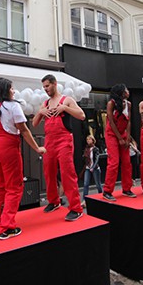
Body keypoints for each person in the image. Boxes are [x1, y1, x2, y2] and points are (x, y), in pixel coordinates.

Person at [0, 77, 46, 240]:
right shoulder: (13, 106)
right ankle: (7, 226)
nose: (14, 91)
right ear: (5, 90)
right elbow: (23, 130)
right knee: (14, 187)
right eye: (12, 88)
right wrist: (37, 148)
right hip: (7, 147)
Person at [33, 74, 85, 221]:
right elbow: (34, 124)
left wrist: (64, 108)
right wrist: (40, 112)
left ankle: (76, 208)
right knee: (48, 172)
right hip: (49, 141)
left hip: (64, 140)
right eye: (44, 87)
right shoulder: (45, 103)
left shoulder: (67, 100)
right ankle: (54, 201)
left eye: (47, 86)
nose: (45, 89)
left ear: (55, 84)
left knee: (67, 173)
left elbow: (81, 115)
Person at [101, 84, 135, 201]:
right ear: (121, 92)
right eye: (126, 90)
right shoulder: (111, 103)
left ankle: (127, 189)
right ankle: (107, 191)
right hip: (112, 134)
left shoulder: (129, 104)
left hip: (123, 134)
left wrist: (127, 137)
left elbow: (129, 122)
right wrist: (119, 138)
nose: (128, 91)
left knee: (126, 162)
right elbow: (110, 121)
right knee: (114, 162)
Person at [82, 135, 102, 206]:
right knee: (85, 184)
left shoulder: (95, 149)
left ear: (93, 140)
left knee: (98, 184)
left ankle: (101, 196)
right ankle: (84, 200)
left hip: (95, 168)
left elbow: (97, 159)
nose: (88, 141)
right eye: (87, 140)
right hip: (87, 167)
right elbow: (84, 158)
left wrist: (93, 167)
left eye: (89, 139)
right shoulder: (86, 149)